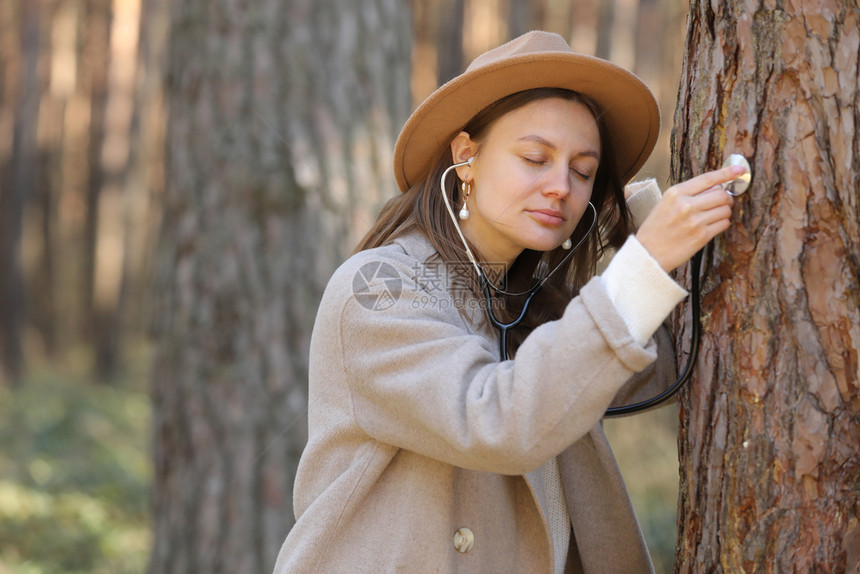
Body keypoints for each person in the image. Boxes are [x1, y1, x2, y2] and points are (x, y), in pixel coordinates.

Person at [274, 31, 742, 573]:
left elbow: (667, 366)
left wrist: (640, 226)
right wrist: (646, 260)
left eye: (583, 171)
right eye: (535, 157)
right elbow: (498, 420)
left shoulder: (537, 304)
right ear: (466, 156)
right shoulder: (379, 289)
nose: (560, 186)